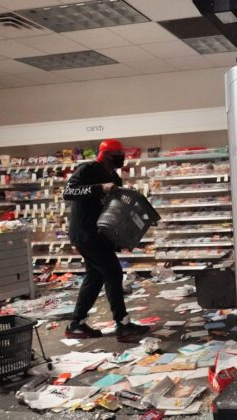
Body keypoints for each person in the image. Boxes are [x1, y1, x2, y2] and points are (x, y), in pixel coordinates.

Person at [63, 139, 150, 342]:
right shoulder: (87, 169)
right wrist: (99, 188)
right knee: (112, 271)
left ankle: (76, 325)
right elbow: (69, 192)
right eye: (116, 155)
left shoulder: (114, 177)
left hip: (101, 234)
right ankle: (123, 325)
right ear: (105, 155)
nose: (120, 158)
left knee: (95, 277)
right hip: (86, 233)